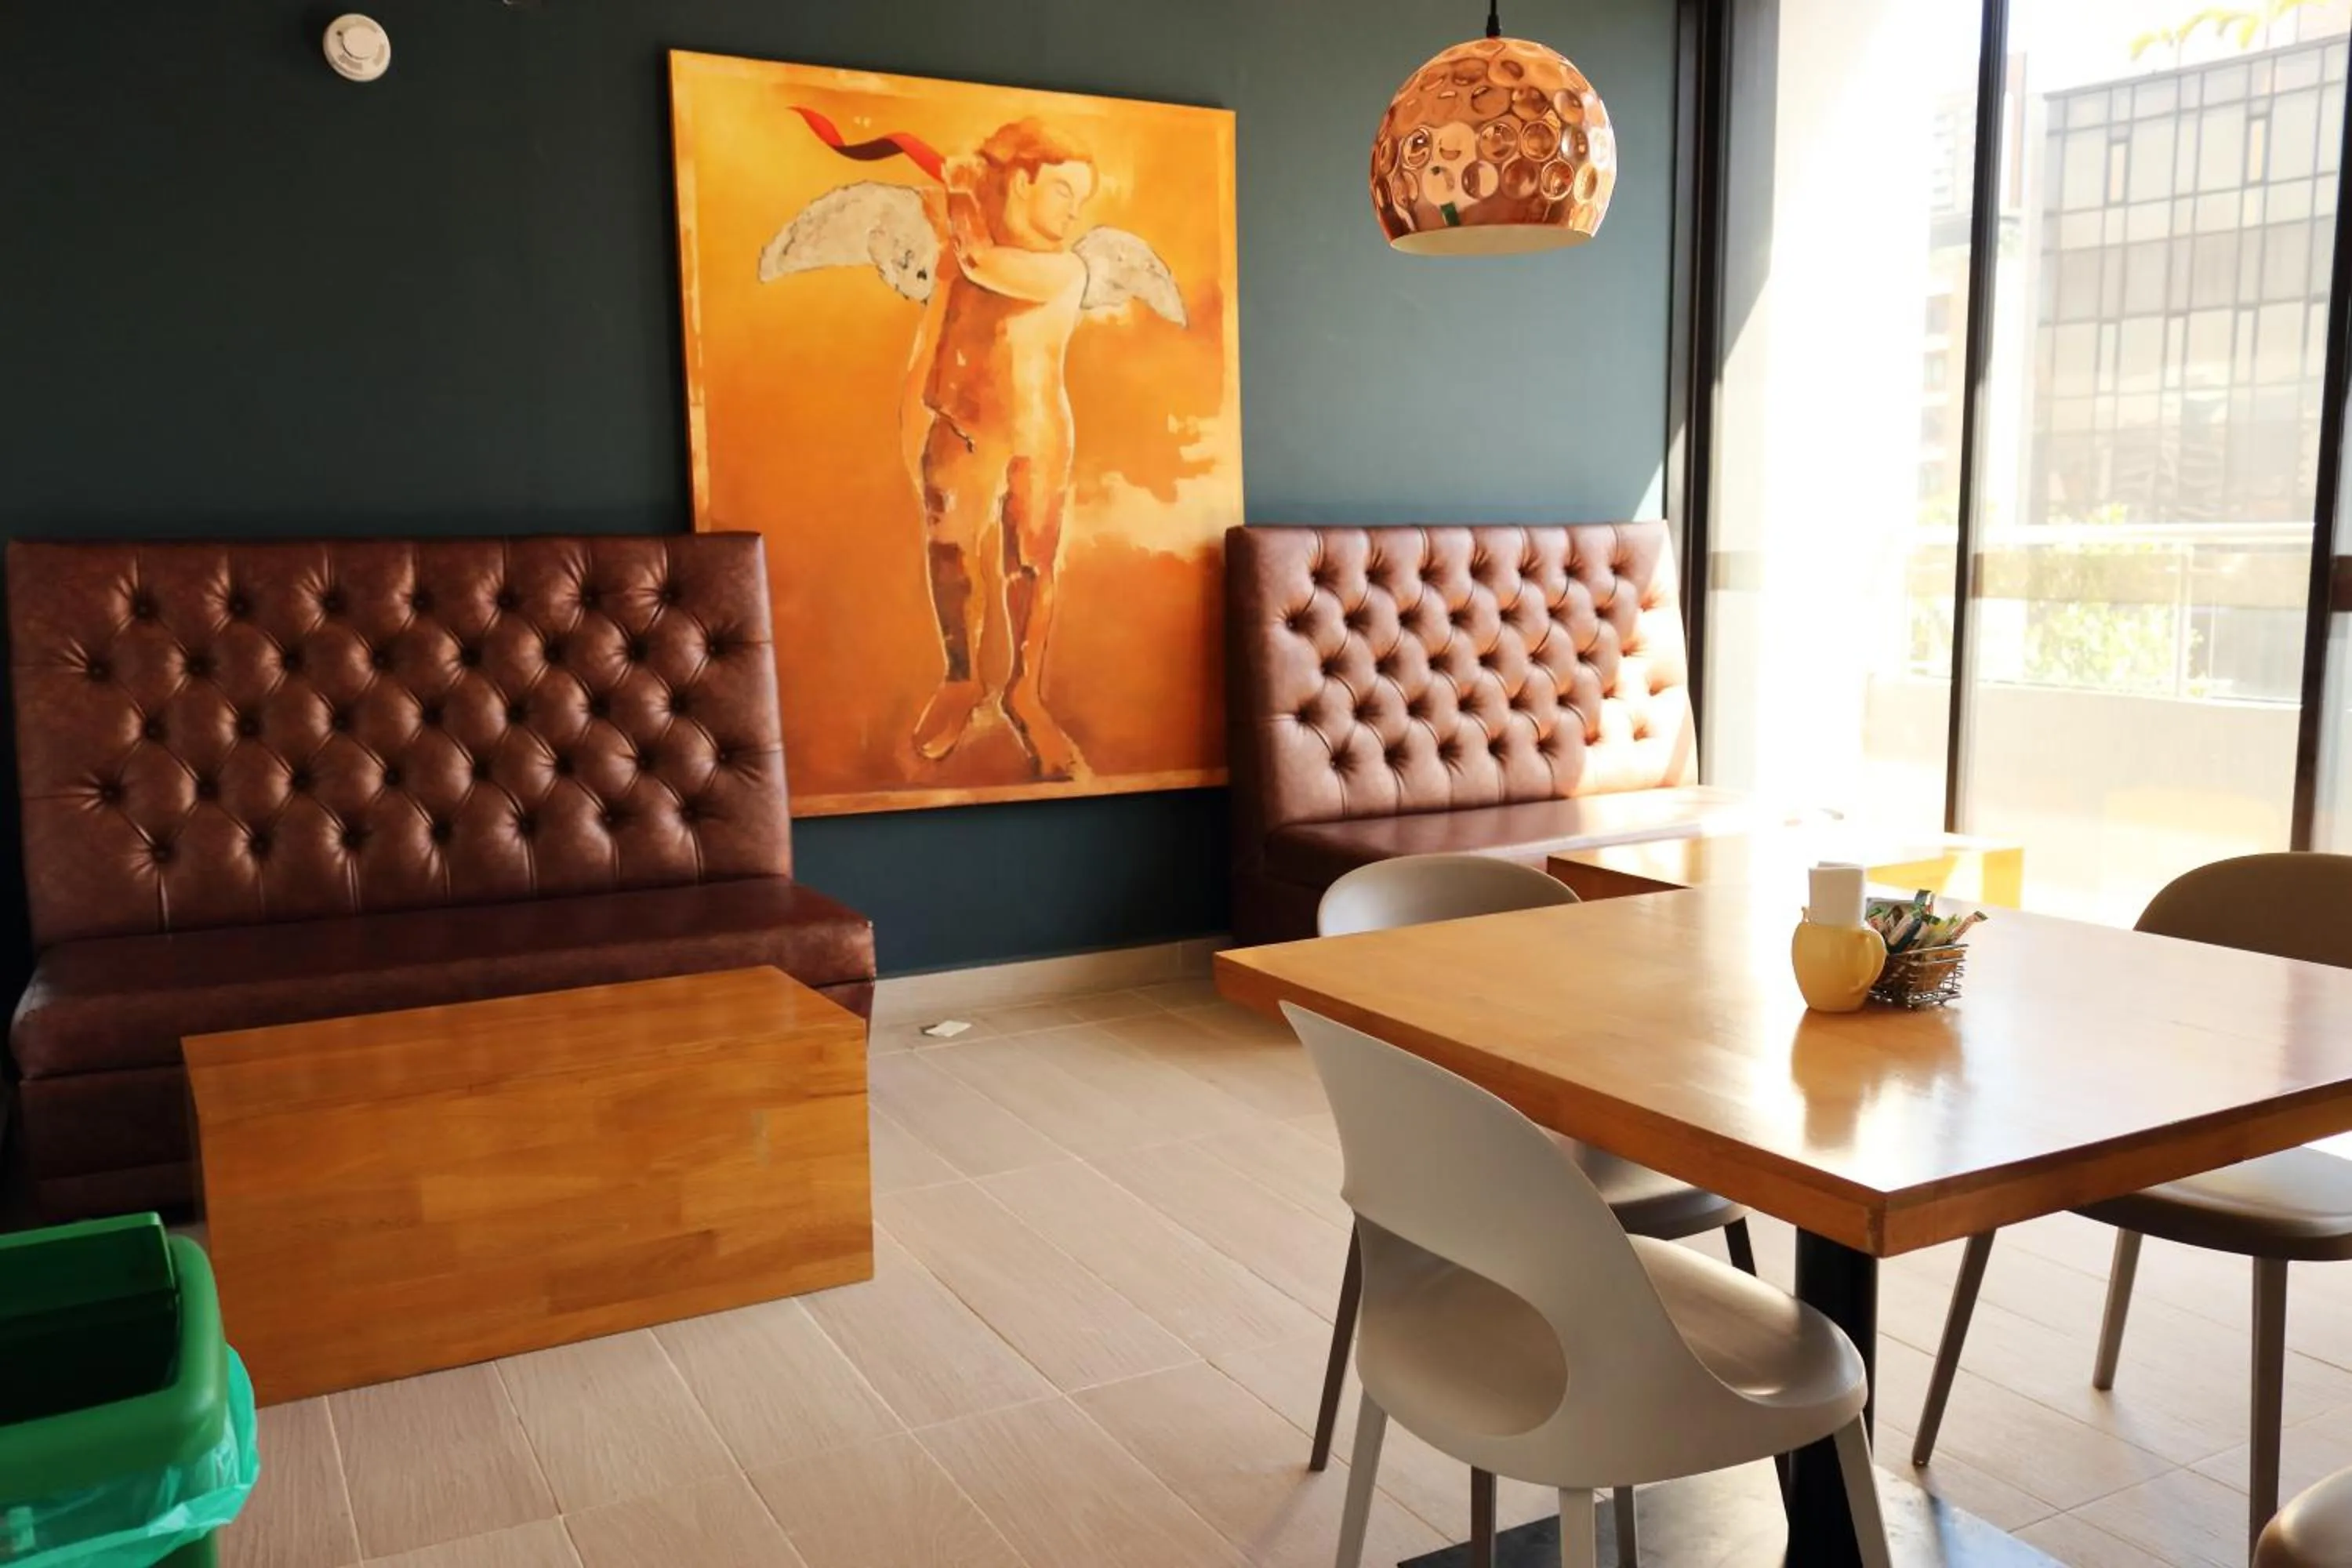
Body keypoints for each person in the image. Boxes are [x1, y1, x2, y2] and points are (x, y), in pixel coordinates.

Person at [901, 119, 1096, 779]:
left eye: (1082, 197)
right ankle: (960, 679)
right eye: (1064, 189)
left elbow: (987, 264)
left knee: (1031, 564)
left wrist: (957, 199)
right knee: (952, 553)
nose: (1074, 208)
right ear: (1021, 180)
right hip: (961, 431)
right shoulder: (958, 248)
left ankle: (1024, 691)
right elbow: (948, 310)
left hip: (1039, 438)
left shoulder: (1062, 267)